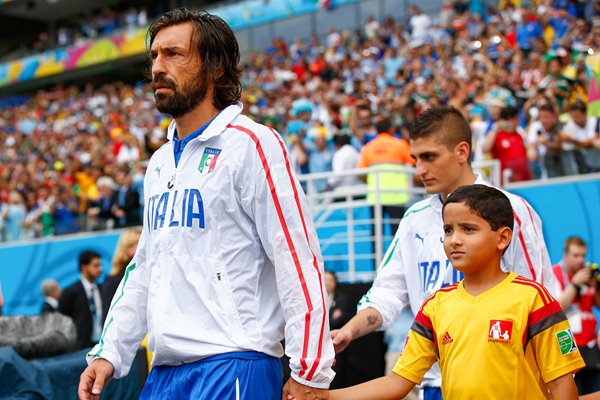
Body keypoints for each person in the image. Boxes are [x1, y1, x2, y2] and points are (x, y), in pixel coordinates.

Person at [79, 8, 333, 400]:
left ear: (216, 67)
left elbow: (296, 258)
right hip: (164, 372)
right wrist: (109, 351)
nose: (158, 67)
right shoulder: (160, 162)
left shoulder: (252, 144)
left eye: (174, 54)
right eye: (154, 56)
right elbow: (145, 267)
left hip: (232, 363)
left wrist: (310, 370)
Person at [332, 106, 557, 399]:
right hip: (432, 382)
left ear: (462, 151)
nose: (419, 170)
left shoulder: (512, 210)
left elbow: (539, 304)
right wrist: (349, 331)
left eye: (429, 157)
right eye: (415, 159)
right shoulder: (414, 219)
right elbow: (386, 294)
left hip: (501, 381)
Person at [313, 185, 585, 400]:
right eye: (447, 230)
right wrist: (328, 396)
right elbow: (397, 382)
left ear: (502, 238)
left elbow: (562, 383)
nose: (454, 239)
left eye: (468, 229)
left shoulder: (534, 299)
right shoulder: (435, 306)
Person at [552, 236, 600, 395]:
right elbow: (556, 309)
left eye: (583, 255)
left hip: (591, 346)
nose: (581, 260)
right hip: (568, 347)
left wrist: (597, 287)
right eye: (576, 255)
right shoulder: (555, 273)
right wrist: (575, 284)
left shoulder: (588, 274)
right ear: (565, 254)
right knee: (573, 394)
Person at [356, 118, 413, 239]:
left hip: (375, 196)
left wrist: (369, 182)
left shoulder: (368, 147)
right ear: (391, 129)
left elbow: (360, 173)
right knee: (398, 234)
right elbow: (414, 163)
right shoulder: (400, 145)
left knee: (376, 234)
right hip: (396, 196)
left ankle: (377, 258)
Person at [58, 250, 103, 350]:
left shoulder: (102, 288)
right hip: (81, 347)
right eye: (96, 266)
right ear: (84, 267)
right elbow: (62, 320)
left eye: (100, 265)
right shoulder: (70, 292)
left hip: (103, 345)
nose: (100, 269)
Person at [100, 228, 141, 324]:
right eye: (139, 244)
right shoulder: (113, 281)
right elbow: (107, 318)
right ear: (128, 248)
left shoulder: (149, 274)